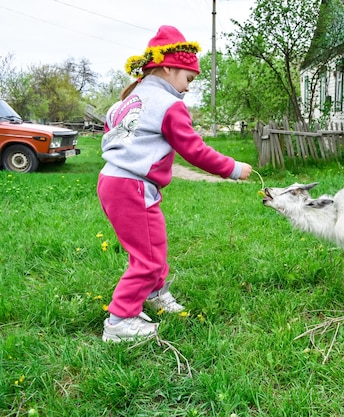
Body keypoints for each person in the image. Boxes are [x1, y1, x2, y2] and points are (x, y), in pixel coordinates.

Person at [97, 25, 252, 342]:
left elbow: (114, 134)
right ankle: (120, 321)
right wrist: (233, 168)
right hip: (132, 186)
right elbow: (194, 150)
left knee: (151, 245)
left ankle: (153, 294)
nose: (189, 87)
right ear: (168, 67)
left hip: (114, 181)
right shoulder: (169, 105)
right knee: (149, 256)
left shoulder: (129, 100)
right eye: (188, 79)